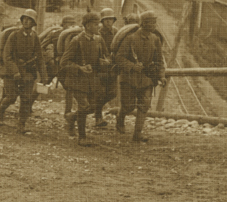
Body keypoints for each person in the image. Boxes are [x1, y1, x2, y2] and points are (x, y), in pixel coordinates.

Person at [60, 12, 111, 146]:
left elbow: (106, 56)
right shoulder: (76, 41)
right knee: (84, 106)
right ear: (87, 26)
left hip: (92, 80)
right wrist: (79, 68)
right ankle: (82, 137)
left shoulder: (99, 40)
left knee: (93, 106)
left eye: (98, 23)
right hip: (77, 80)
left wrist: (105, 61)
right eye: (95, 24)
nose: (98, 26)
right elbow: (64, 62)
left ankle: (71, 118)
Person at [115, 10, 166, 143]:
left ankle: (137, 134)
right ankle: (120, 118)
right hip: (129, 78)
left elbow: (159, 60)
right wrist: (132, 66)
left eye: (155, 22)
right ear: (143, 23)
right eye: (151, 22)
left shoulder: (155, 39)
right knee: (128, 106)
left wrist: (161, 76)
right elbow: (119, 58)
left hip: (147, 78)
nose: (154, 25)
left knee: (144, 106)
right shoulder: (130, 38)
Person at [0, 9, 48, 134]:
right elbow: (6, 56)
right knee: (11, 97)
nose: (26, 21)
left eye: (29, 20)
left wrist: (44, 75)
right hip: (11, 72)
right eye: (24, 19)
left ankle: (21, 124)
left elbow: (40, 57)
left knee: (26, 99)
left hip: (28, 72)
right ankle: (0, 111)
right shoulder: (14, 35)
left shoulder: (34, 37)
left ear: (33, 23)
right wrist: (15, 71)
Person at [94, 8, 119, 127]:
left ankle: (96, 110)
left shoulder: (116, 32)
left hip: (112, 67)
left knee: (112, 93)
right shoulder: (97, 32)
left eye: (111, 19)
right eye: (106, 19)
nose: (109, 22)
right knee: (100, 93)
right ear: (102, 21)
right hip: (98, 68)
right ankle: (98, 117)